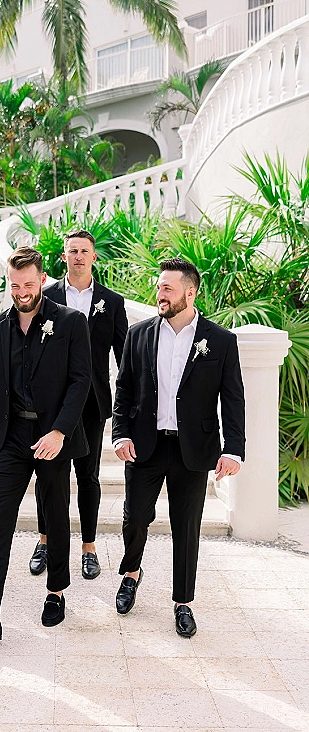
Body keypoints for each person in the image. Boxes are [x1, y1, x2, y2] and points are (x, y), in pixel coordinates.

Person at [0, 246, 91, 641]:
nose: (22, 291)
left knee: (56, 516)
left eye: (29, 283)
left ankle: (56, 592)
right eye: (15, 284)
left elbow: (81, 382)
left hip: (52, 438)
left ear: (43, 279)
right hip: (8, 438)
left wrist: (60, 431)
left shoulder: (71, 322)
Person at [112, 257, 245, 637]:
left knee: (186, 527)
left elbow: (233, 398)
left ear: (190, 292)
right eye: (159, 287)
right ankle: (131, 572)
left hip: (194, 450)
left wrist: (233, 449)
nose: (160, 294)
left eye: (167, 288)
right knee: (135, 517)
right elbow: (123, 388)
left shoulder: (220, 341)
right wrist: (120, 433)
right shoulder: (138, 335)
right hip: (145, 446)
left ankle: (183, 602)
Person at [29, 229, 128, 580]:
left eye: (85, 251)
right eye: (72, 251)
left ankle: (88, 547)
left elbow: (124, 359)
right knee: (46, 477)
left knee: (88, 477)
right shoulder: (45, 295)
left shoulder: (111, 302)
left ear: (94, 257)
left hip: (92, 404)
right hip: (50, 405)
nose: (79, 257)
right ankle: (44, 541)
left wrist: (125, 409)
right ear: (64, 256)